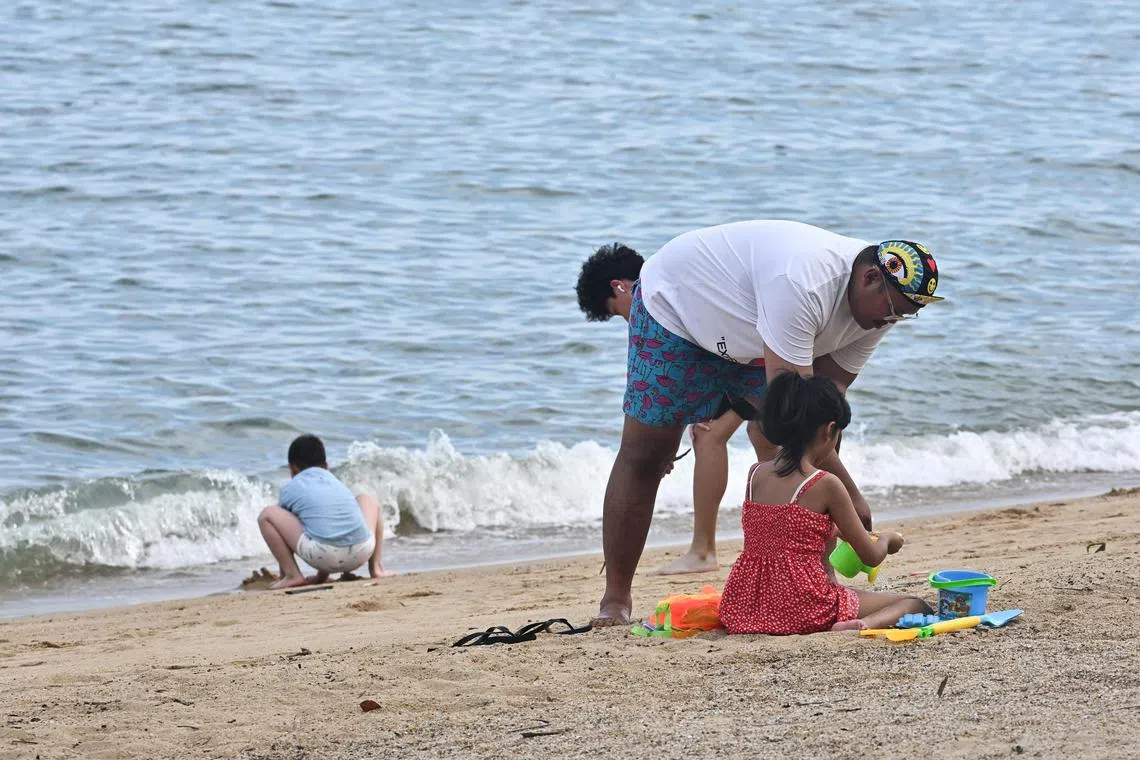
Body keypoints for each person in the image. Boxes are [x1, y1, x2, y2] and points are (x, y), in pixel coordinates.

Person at [580, 220, 943, 625]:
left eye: (907, 315)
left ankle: (817, 577)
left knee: (801, 438)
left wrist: (839, 499)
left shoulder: (878, 313)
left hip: (751, 334)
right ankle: (615, 600)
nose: (893, 321)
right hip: (676, 313)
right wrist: (850, 496)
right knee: (647, 453)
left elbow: (825, 412)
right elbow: (800, 415)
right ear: (871, 277)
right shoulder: (803, 282)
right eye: (895, 310)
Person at [576, 243, 775, 576]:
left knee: (710, 436)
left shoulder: (653, 299)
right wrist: (663, 443)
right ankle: (787, 537)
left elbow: (695, 369)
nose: (627, 320)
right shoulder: (674, 286)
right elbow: (695, 372)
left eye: (617, 312)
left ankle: (704, 550)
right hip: (761, 351)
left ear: (619, 286)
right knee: (758, 435)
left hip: (757, 360)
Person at [718, 372, 932, 634]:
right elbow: (871, 556)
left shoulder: (756, 474)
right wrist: (888, 539)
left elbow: (783, 530)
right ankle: (861, 625)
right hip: (801, 606)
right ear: (830, 430)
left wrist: (835, 530)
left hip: (744, 604)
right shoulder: (825, 483)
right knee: (915, 604)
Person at [257, 434, 388, 590]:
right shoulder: (335, 481)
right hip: (362, 551)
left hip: (323, 555)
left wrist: (283, 573)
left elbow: (288, 533)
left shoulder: (290, 488)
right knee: (367, 499)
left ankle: (292, 575)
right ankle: (376, 568)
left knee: (267, 515)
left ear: (292, 468)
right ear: (326, 466)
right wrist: (321, 577)